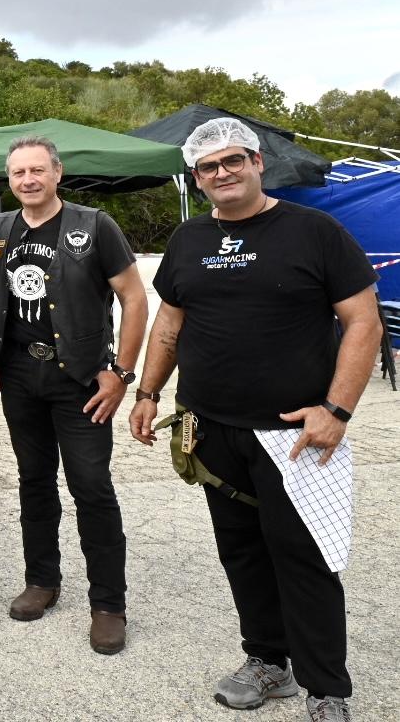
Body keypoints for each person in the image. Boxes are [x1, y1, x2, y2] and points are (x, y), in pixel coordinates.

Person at [130, 118, 380, 721]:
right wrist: (147, 392)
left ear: (258, 162)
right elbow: (170, 324)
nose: (222, 173)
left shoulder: (315, 232)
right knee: (241, 552)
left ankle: (327, 691)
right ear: (196, 177)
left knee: (304, 559)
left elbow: (363, 322)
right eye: (209, 167)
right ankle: (268, 662)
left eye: (233, 160)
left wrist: (336, 410)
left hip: (296, 435)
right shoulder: (188, 241)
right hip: (211, 428)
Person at [0, 135, 146, 654]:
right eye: (18, 173)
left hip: (82, 382)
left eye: (37, 171)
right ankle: (42, 580)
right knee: (34, 482)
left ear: (57, 173)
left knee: (91, 486)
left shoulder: (94, 225)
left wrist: (121, 372)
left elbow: (134, 298)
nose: (28, 180)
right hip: (21, 378)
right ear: (9, 179)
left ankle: (109, 604)